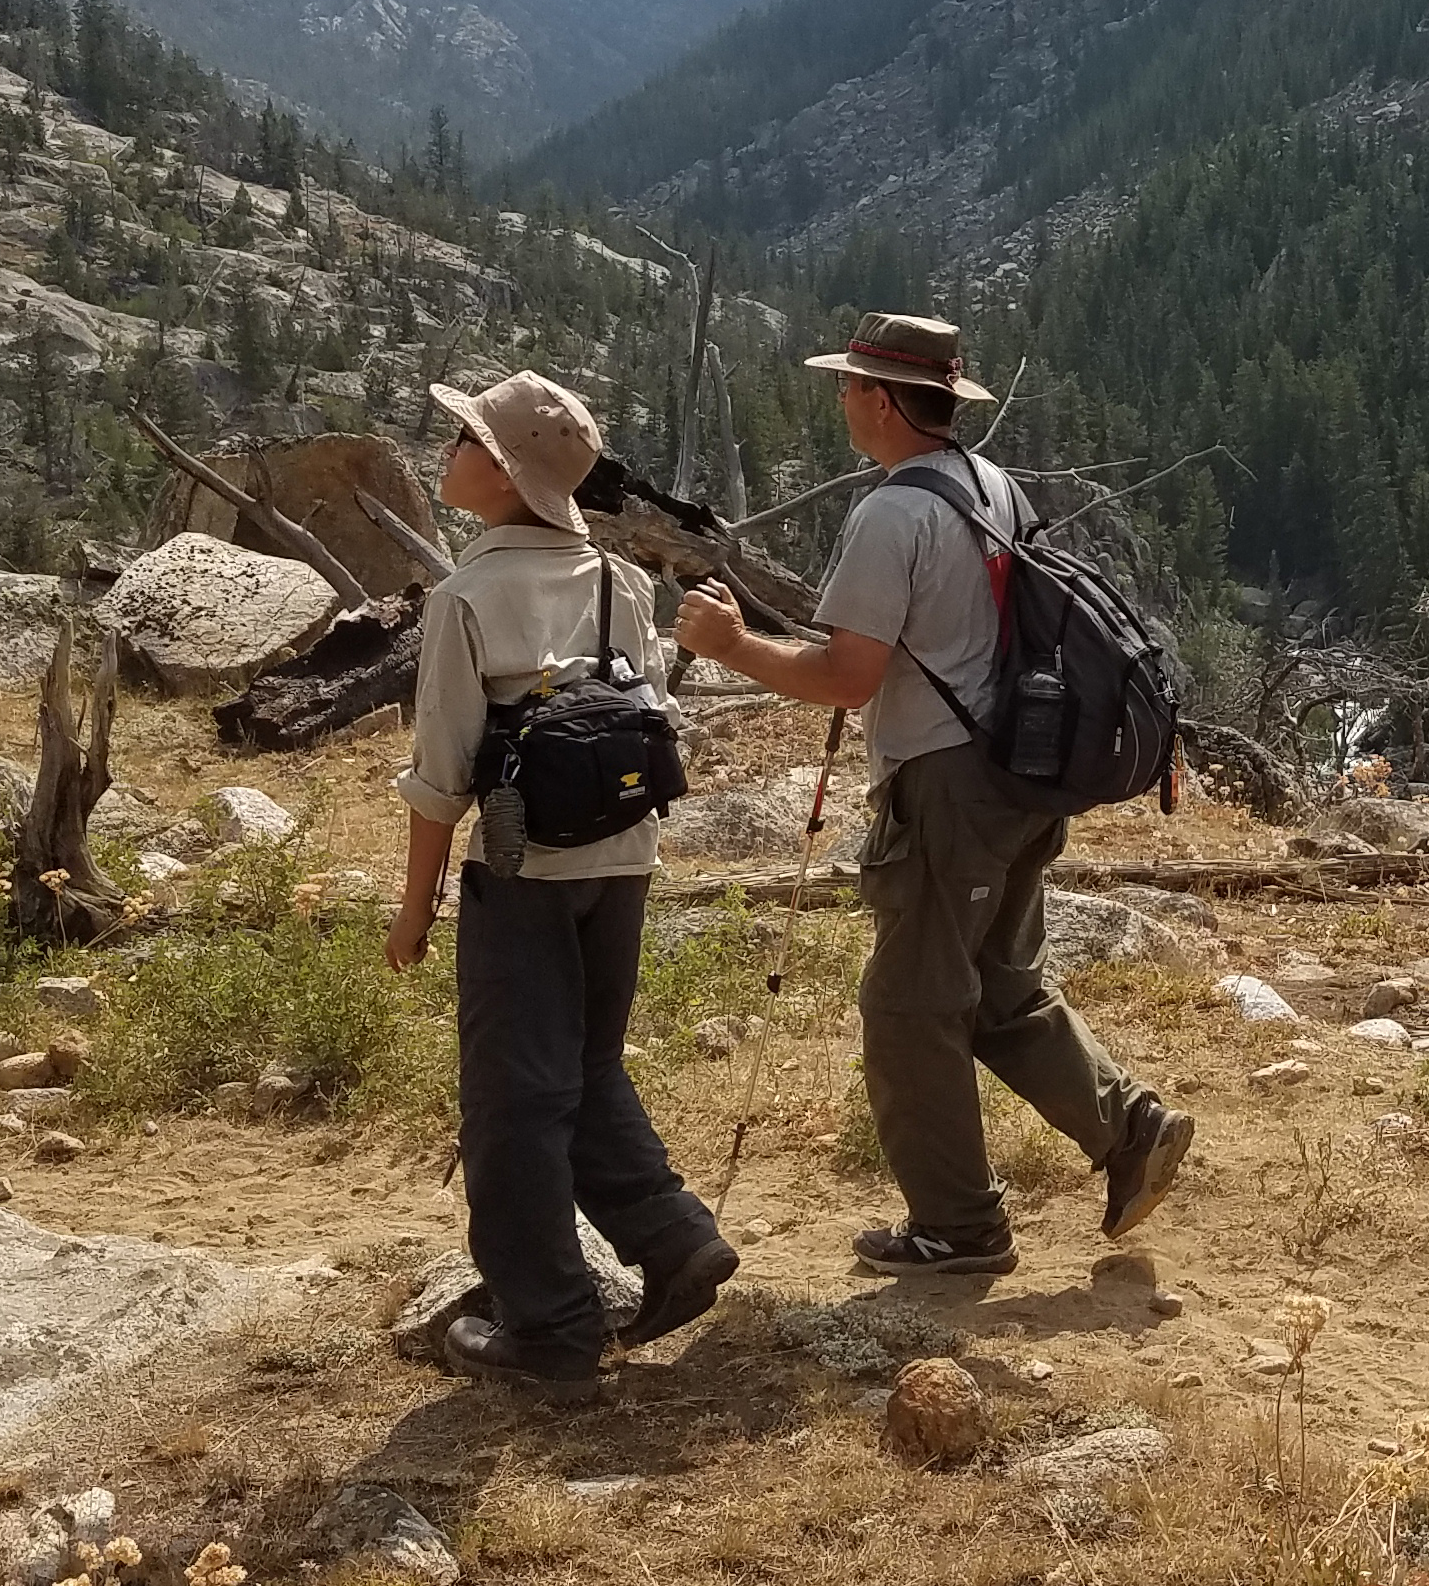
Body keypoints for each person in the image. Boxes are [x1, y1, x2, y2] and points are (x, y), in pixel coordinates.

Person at [668, 311, 1192, 1277]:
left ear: (880, 398)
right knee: (998, 990)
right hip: (1021, 773)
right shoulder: (993, 487)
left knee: (910, 1009)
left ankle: (959, 1226)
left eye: (849, 385)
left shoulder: (891, 515)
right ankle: (1130, 1129)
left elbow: (847, 678)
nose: (839, 400)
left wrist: (731, 647)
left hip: (945, 787)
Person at [388, 369, 739, 1393]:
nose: (445, 450)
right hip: (622, 863)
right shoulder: (619, 584)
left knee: (511, 1101)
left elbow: (440, 778)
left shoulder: (466, 599)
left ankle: (547, 1325)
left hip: (525, 869)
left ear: (500, 476)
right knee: (581, 1068)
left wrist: (415, 911)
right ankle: (672, 1239)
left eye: (463, 440)